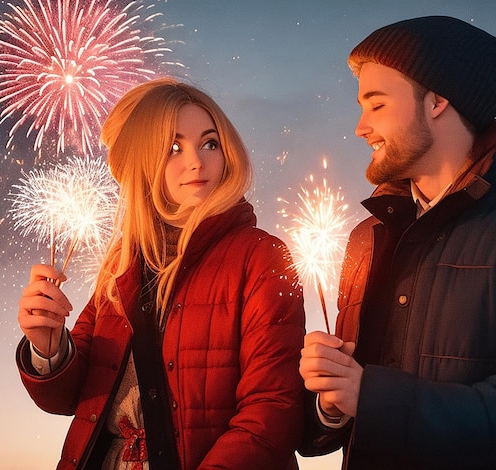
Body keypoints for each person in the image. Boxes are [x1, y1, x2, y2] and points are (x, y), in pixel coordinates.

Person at [298, 15, 496, 469]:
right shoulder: (368, 238)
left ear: (436, 101)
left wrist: (380, 400)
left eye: (376, 104)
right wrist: (330, 405)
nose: (360, 127)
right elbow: (352, 410)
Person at [16, 78, 306, 470]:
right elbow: (74, 398)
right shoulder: (123, 262)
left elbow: (270, 411)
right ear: (142, 164)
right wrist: (48, 348)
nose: (196, 161)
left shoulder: (260, 256)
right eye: (173, 148)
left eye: (209, 143)